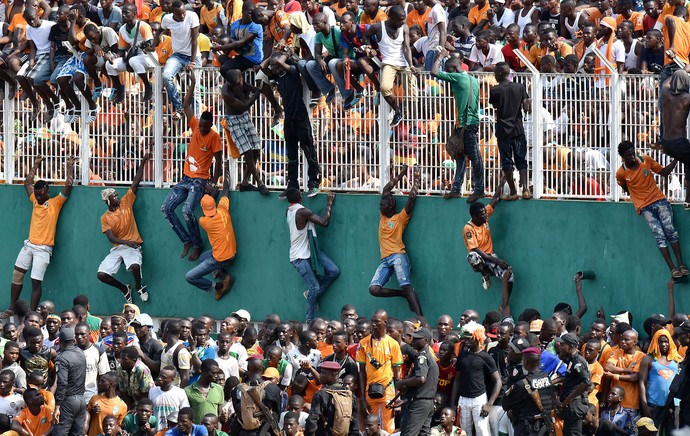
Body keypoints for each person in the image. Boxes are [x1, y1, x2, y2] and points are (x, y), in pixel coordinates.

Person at [2, 156, 74, 318]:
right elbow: (27, 182)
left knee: (36, 282)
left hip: (43, 249)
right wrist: (35, 165)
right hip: (29, 245)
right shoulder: (35, 199)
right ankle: (11, 308)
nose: (39, 197)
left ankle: (32, 314)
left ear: (48, 192)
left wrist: (70, 167)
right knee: (17, 274)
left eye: (41, 194)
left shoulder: (56, 203)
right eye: (37, 194)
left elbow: (69, 184)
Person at [161, 74, 223, 263]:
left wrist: (213, 182)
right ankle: (186, 240)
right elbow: (186, 105)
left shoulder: (214, 136)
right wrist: (193, 83)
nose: (202, 130)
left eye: (205, 127)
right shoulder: (196, 125)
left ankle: (197, 244)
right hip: (186, 178)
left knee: (187, 210)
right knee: (166, 209)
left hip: (199, 180)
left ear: (211, 125)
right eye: (201, 127)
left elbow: (219, 161)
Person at [616, 140, 688, 279]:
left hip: (659, 201)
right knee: (659, 236)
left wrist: (676, 159)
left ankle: (681, 265)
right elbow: (624, 187)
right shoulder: (621, 173)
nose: (632, 157)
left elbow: (664, 173)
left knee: (670, 231)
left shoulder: (645, 160)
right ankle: (672, 269)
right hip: (645, 207)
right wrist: (637, 197)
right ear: (623, 157)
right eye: (628, 155)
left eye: (633, 153)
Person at [264, 51, 320, 198]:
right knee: (292, 155)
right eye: (273, 67)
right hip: (289, 120)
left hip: (301, 118)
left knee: (309, 151)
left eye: (276, 66)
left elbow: (282, 63)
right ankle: (292, 185)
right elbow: (261, 68)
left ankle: (314, 183)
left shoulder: (292, 71)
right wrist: (270, 58)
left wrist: (286, 53)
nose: (274, 69)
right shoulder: (277, 76)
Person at [97, 154, 152, 304]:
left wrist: (143, 161)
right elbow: (111, 238)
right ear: (108, 201)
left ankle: (139, 287)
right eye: (114, 196)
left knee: (134, 266)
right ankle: (124, 289)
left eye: (116, 194)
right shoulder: (105, 217)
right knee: (101, 274)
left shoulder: (126, 202)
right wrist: (128, 243)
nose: (118, 197)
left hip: (132, 246)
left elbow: (135, 183)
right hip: (119, 247)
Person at [368, 166, 423, 317]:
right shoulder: (383, 216)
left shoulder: (400, 218)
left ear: (391, 206)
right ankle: (403, 294)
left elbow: (412, 197)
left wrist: (416, 179)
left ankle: (421, 318)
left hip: (398, 256)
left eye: (383, 205)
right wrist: (401, 174)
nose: (380, 207)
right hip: (386, 259)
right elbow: (386, 190)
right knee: (374, 289)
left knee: (406, 285)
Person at [430, 49, 483, 203]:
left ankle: (479, 189)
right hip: (469, 123)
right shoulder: (473, 79)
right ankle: (456, 189)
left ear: (452, 70)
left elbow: (433, 72)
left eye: (448, 72)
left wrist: (439, 57)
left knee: (475, 158)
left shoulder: (458, 78)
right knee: (459, 156)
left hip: (465, 125)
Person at [285, 188, 338, 324]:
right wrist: (329, 203)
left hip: (311, 251)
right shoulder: (303, 212)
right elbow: (324, 222)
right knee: (314, 286)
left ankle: (311, 295)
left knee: (333, 271)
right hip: (299, 257)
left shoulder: (289, 210)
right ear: (301, 197)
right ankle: (310, 321)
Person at [185, 161, 236, 300]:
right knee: (202, 258)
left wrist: (209, 195)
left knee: (190, 277)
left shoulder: (204, 221)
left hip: (220, 258)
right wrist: (226, 169)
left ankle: (218, 286)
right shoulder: (223, 210)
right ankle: (225, 276)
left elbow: (205, 211)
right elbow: (226, 190)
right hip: (231, 252)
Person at [364, 5, 418, 126]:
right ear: (391, 17)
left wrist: (410, 65)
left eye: (404, 18)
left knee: (412, 94)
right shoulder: (378, 27)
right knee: (384, 88)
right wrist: (368, 46)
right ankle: (398, 110)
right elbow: (365, 35)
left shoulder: (404, 28)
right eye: (400, 19)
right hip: (388, 63)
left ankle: (414, 125)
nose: (403, 21)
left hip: (403, 64)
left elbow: (406, 48)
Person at [463, 189, 514, 316]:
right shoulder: (468, 228)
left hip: (491, 256)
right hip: (481, 257)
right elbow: (476, 249)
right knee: (472, 257)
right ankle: (485, 274)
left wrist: (502, 181)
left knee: (510, 275)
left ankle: (504, 304)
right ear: (475, 217)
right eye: (482, 214)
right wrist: (497, 260)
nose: (486, 215)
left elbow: (495, 200)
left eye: (486, 213)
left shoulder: (484, 218)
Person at [220, 69, 269, 195]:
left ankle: (245, 182)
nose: (240, 85)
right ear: (230, 84)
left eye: (240, 81)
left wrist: (257, 88)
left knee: (256, 149)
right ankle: (260, 182)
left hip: (245, 117)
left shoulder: (237, 75)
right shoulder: (226, 92)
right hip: (234, 120)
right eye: (237, 84)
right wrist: (257, 93)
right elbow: (243, 106)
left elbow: (246, 85)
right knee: (247, 151)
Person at [489, 62, 531, 200]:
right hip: (518, 129)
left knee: (507, 161)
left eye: (495, 72)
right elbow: (526, 106)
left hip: (502, 130)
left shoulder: (494, 90)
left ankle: (513, 192)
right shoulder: (519, 87)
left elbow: (495, 106)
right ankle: (525, 190)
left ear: (500, 74)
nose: (494, 75)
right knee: (521, 159)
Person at [451, 322, 501, 436]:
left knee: (482, 430)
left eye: (470, 339)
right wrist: (453, 403)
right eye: (465, 339)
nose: (466, 341)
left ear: (478, 338)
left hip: (479, 399)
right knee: (464, 431)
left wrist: (489, 404)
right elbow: (457, 380)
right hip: (463, 399)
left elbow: (498, 381)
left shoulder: (486, 357)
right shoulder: (462, 356)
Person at [356, 310, 402, 434]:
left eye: (377, 321)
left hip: (387, 392)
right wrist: (362, 398)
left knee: (387, 426)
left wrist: (397, 398)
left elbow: (397, 374)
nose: (373, 324)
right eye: (372, 321)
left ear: (385, 322)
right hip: (369, 391)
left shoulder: (393, 344)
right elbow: (361, 373)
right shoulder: (364, 343)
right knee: (372, 426)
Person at [154, 0, 200, 118]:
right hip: (178, 55)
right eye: (179, 13)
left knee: (195, 90)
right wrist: (152, 45)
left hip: (193, 56)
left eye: (184, 12)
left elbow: (194, 40)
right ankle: (180, 107)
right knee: (166, 76)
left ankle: (197, 118)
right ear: (172, 12)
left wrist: (193, 62)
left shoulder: (192, 16)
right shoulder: (167, 19)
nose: (183, 15)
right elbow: (159, 31)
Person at [105, 4, 157, 102]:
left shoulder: (143, 26)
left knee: (133, 60)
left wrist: (144, 45)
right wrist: (114, 56)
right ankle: (119, 89)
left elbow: (150, 44)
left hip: (148, 57)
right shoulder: (122, 29)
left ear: (134, 14)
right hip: (133, 56)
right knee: (109, 64)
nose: (123, 15)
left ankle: (147, 85)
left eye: (126, 13)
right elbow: (121, 50)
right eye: (122, 13)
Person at [502, 347, 555, 436]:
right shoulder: (547, 378)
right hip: (545, 427)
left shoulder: (523, 384)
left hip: (527, 428)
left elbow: (505, 404)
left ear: (526, 362)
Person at [397, 328, 439, 435]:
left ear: (425, 341)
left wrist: (402, 382)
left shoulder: (422, 356)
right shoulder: (429, 357)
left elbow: (421, 379)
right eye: (413, 338)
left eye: (417, 339)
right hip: (428, 402)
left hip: (420, 404)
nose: (413, 340)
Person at [304, 361, 358, 435]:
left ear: (333, 375)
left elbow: (312, 421)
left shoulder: (321, 394)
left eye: (323, 373)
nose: (320, 375)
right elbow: (354, 426)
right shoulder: (349, 395)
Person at [555, 333, 591, 436]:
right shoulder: (572, 360)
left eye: (562, 345)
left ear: (570, 346)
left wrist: (567, 400)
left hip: (575, 405)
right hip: (571, 406)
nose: (560, 347)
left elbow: (586, 382)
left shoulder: (577, 362)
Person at [52, 327, 87, 436]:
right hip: (81, 399)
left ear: (61, 342)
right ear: (73, 340)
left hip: (68, 401)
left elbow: (62, 383)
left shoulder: (61, 358)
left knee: (59, 433)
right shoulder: (81, 353)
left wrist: (57, 406)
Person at [149, 366, 190, 432]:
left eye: (163, 377)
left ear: (172, 379)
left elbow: (185, 414)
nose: (159, 379)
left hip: (173, 432)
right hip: (157, 432)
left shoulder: (180, 393)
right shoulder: (152, 391)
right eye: (159, 376)